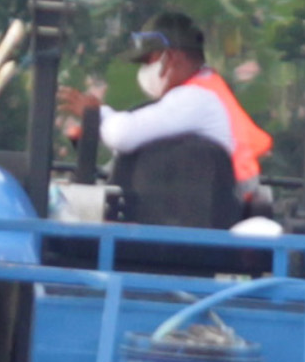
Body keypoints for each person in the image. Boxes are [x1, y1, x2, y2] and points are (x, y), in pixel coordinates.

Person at [70, 11, 276, 228]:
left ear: (173, 58)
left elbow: (122, 135)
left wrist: (97, 114)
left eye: (149, 61)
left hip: (210, 224)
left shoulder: (196, 98)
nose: (144, 71)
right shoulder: (198, 95)